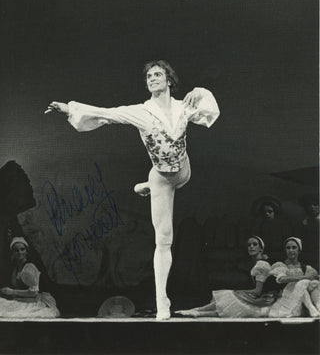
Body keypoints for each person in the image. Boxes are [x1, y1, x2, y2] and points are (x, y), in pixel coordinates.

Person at [44, 60, 220, 320]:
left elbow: (210, 112)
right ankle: (162, 301)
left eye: (158, 74)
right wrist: (68, 108)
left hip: (183, 171)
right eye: (149, 76)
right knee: (164, 238)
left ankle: (146, 186)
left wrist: (200, 90)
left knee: (176, 178)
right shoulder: (141, 111)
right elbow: (106, 113)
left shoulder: (184, 107)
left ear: (169, 80)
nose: (152, 79)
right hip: (161, 178)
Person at [175, 236, 277, 318]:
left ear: (261, 249)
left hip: (263, 300)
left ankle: (197, 312)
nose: (251, 247)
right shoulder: (257, 263)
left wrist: (237, 292)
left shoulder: (261, 265)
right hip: (260, 298)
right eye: (249, 245)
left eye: (255, 244)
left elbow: (257, 291)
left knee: (229, 297)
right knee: (228, 300)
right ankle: (195, 311)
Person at [0, 237, 60, 318]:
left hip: (38, 301)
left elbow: (33, 292)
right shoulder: (16, 269)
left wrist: (12, 292)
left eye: (22, 249)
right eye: (16, 250)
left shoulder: (29, 268)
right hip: (25, 300)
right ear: (12, 253)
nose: (19, 252)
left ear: (26, 251)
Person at [268, 237, 320, 318]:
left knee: (314, 283)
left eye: (294, 247)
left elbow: (315, 278)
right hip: (287, 301)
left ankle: (318, 307)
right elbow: (282, 279)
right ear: (285, 250)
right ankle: (311, 308)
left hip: (302, 303)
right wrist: (304, 277)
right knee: (302, 282)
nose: (291, 250)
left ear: (299, 250)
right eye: (288, 248)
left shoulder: (306, 268)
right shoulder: (281, 265)